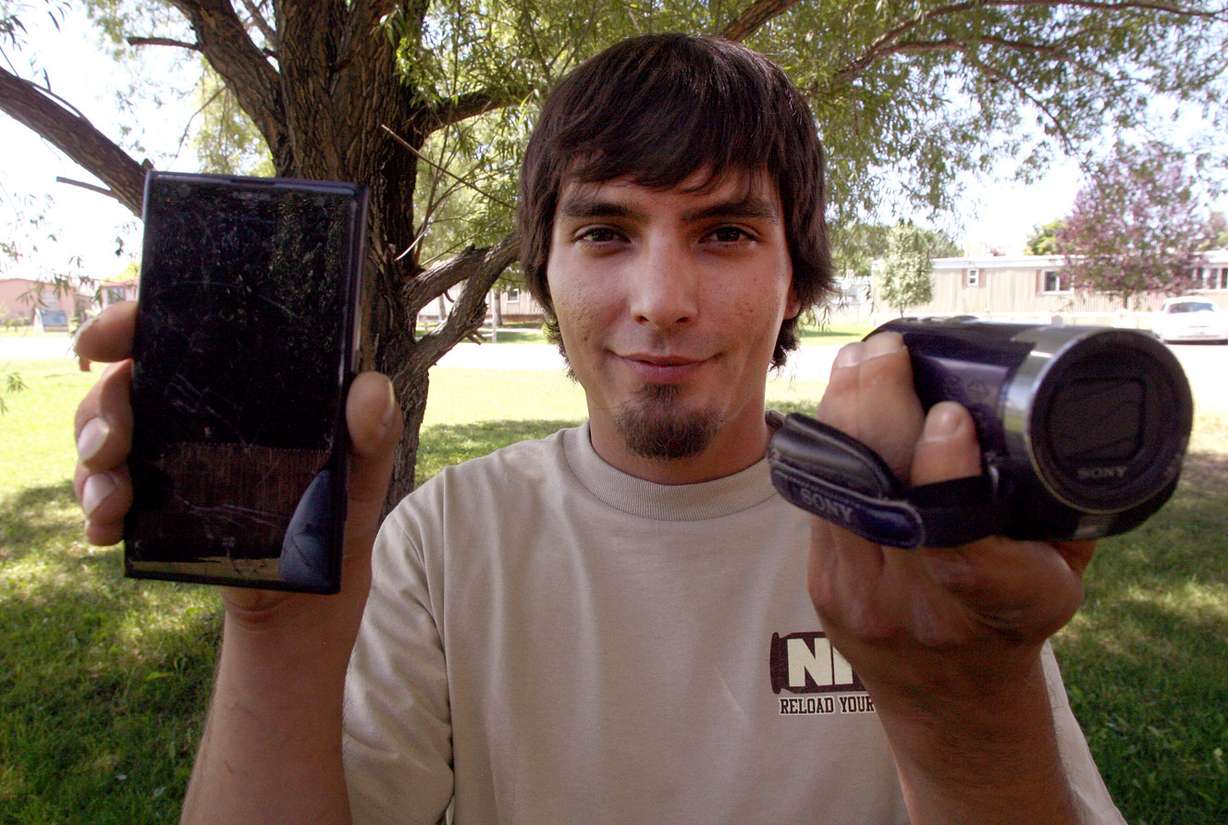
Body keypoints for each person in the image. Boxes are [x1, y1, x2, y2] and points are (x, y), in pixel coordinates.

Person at [73, 33, 1124, 824]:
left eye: (722, 232)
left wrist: (966, 713)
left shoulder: (923, 542)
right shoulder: (444, 542)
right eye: (605, 231)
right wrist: (276, 632)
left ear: (795, 277)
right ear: (546, 273)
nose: (660, 299)